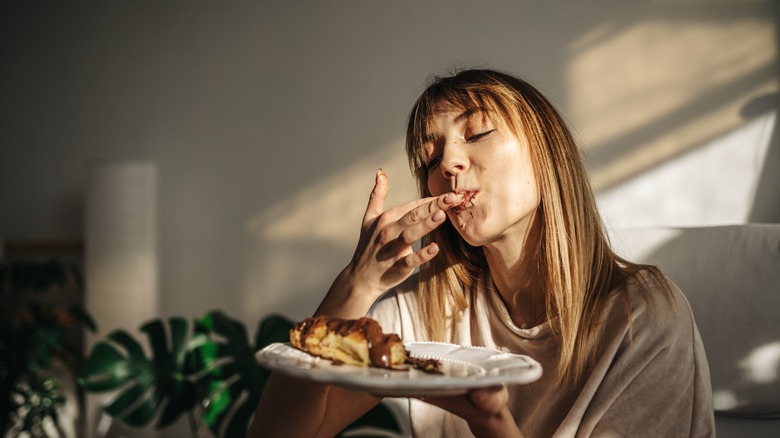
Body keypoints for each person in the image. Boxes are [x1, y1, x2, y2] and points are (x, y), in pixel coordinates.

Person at [250, 69, 715, 437]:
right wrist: (358, 283)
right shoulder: (426, 308)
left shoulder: (644, 317)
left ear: (547, 152)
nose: (448, 164)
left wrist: (490, 423)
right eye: (431, 159)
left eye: (476, 134)